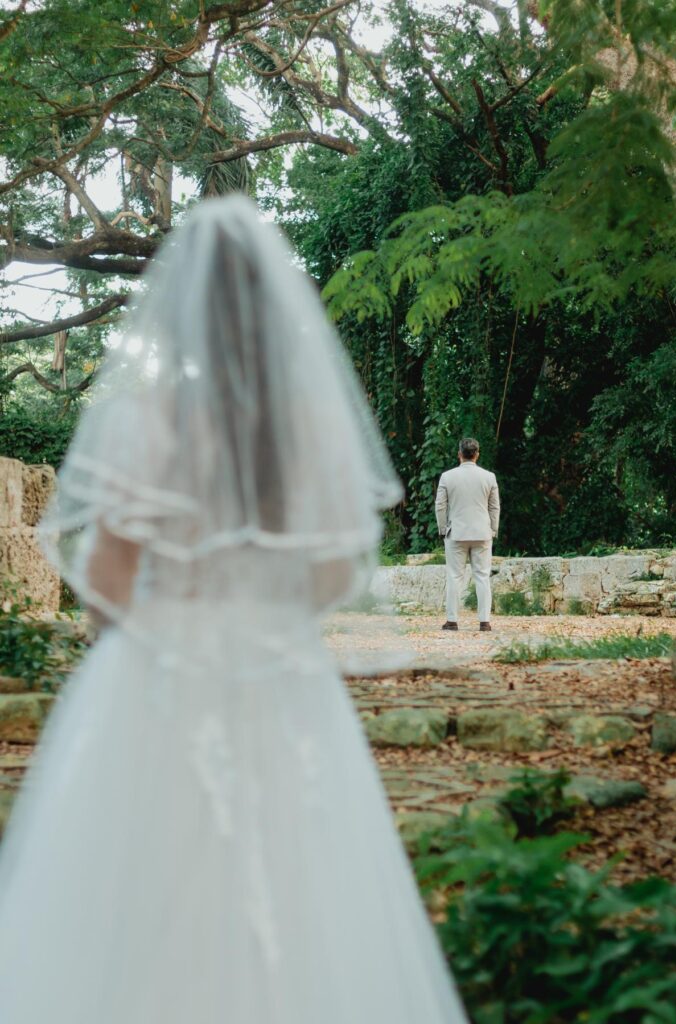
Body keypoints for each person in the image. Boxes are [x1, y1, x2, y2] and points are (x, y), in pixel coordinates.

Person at [0, 197, 467, 1024]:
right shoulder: (311, 429)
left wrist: (150, 626)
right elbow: (334, 574)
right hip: (279, 673)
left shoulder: (149, 423)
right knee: (302, 882)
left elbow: (105, 577)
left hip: (160, 670)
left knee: (141, 895)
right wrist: (261, 607)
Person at [435, 438, 500, 632]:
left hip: (456, 533)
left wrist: (442, 528)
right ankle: (484, 621)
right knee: (482, 576)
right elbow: (494, 506)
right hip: (482, 532)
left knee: (454, 576)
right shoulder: (489, 477)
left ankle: (452, 620)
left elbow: (440, 505)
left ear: (459, 454)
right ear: (477, 454)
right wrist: (493, 529)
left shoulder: (447, 477)